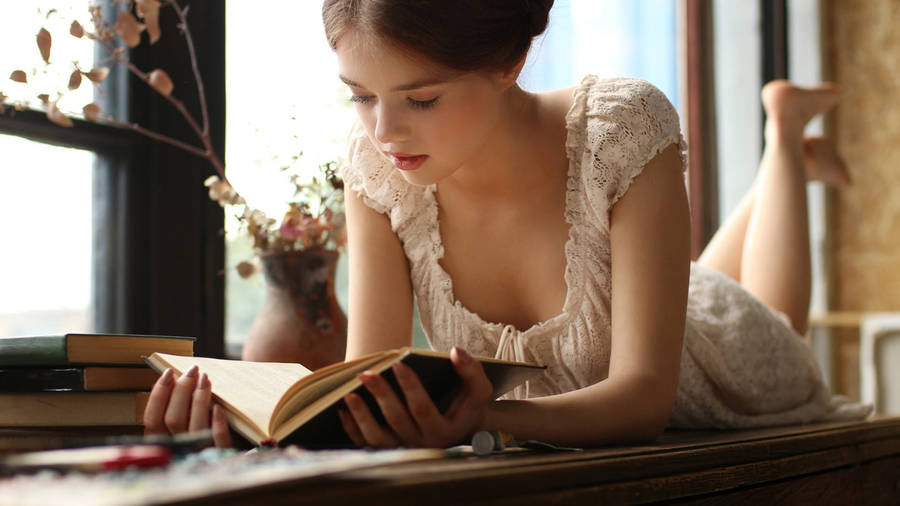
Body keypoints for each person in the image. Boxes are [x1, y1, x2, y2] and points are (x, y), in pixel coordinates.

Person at [143, 0, 870, 449]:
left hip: (713, 356)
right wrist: (240, 429)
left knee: (777, 320)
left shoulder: (623, 127)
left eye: (421, 99)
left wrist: (486, 421)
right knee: (695, 274)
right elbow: (368, 382)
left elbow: (645, 401)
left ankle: (783, 138)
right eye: (360, 96)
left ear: (511, 60)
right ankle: (787, 155)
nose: (385, 131)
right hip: (655, 285)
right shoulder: (378, 171)